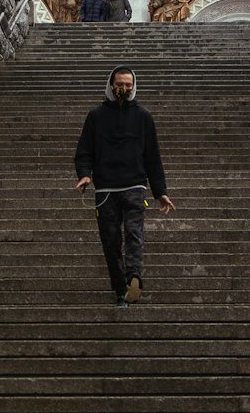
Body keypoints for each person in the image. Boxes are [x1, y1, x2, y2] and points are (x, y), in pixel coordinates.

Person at [74, 65, 176, 306]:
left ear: (134, 86)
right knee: (110, 241)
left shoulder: (143, 117)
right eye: (119, 84)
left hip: (135, 187)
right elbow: (84, 151)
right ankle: (121, 289)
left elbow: (153, 157)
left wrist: (160, 192)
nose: (123, 88)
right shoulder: (96, 116)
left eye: (128, 85)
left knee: (134, 234)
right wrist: (85, 174)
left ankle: (134, 277)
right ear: (111, 85)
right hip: (106, 190)